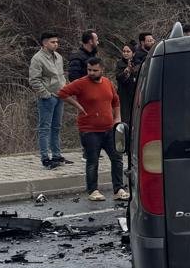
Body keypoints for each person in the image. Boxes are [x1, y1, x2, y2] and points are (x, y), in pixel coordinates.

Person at [58, 57, 128, 202]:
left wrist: (117, 118)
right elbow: (62, 93)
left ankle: (118, 189)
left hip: (108, 129)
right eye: (89, 69)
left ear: (102, 70)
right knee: (92, 161)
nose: (91, 73)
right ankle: (93, 190)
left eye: (95, 70)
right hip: (89, 130)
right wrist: (78, 106)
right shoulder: (81, 83)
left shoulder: (107, 83)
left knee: (117, 158)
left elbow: (116, 101)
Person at [28, 31, 70, 170]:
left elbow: (61, 75)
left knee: (56, 127)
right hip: (47, 98)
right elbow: (34, 80)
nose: (56, 44)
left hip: (59, 95)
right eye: (53, 42)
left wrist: (64, 89)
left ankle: (57, 155)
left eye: (57, 42)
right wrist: (46, 95)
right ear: (45, 43)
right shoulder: (37, 59)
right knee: (45, 128)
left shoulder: (58, 57)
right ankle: (45, 158)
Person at [116, 42, 140, 127]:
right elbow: (119, 77)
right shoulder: (120, 64)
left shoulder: (138, 63)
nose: (125, 53)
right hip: (124, 94)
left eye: (128, 51)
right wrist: (127, 71)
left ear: (133, 53)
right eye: (124, 51)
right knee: (125, 117)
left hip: (135, 93)